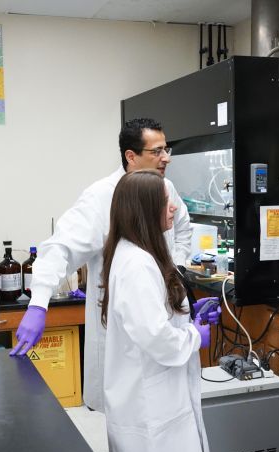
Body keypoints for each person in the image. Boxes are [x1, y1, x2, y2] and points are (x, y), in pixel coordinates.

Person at [11, 118, 193, 412]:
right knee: (129, 410)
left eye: (166, 149)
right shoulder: (101, 196)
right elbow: (61, 248)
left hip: (164, 315)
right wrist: (39, 303)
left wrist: (178, 269)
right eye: (157, 151)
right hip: (122, 327)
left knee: (167, 404)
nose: (166, 158)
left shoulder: (167, 187)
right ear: (131, 156)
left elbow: (183, 229)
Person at [101, 170, 214, 452]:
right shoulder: (137, 264)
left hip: (155, 397)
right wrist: (195, 336)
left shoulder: (137, 253)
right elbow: (157, 338)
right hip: (151, 407)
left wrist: (185, 311)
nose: (174, 209)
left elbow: (153, 316)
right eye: (166, 202)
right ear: (145, 208)